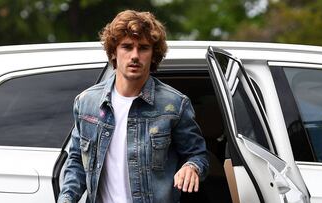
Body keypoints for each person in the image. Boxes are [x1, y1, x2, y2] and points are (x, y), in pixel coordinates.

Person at [58, 10, 209, 203]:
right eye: (127, 47)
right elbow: (77, 161)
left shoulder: (174, 104)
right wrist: (67, 198)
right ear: (114, 51)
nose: (135, 56)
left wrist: (192, 167)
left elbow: (197, 154)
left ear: (153, 54)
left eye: (143, 48)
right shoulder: (87, 103)